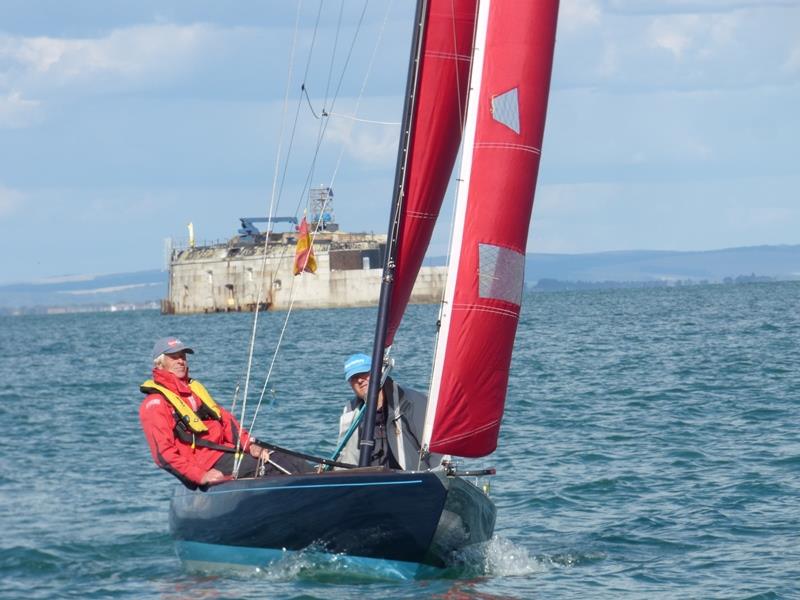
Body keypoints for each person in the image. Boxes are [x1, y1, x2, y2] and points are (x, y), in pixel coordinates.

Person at [139, 336, 304, 488]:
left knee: (290, 460)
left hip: (227, 453)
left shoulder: (194, 391)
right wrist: (201, 476)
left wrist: (250, 446)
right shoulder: (155, 403)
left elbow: (226, 423)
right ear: (160, 364)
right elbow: (163, 454)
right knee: (274, 468)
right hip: (207, 464)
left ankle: (326, 483)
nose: (181, 361)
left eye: (183, 356)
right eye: (174, 357)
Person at [337, 353, 443, 470]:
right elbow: (344, 456)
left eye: (364, 373)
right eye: (354, 378)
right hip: (370, 482)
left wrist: (438, 477)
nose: (360, 380)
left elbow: (437, 447)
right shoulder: (350, 412)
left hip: (412, 480)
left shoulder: (413, 402)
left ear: (378, 372)